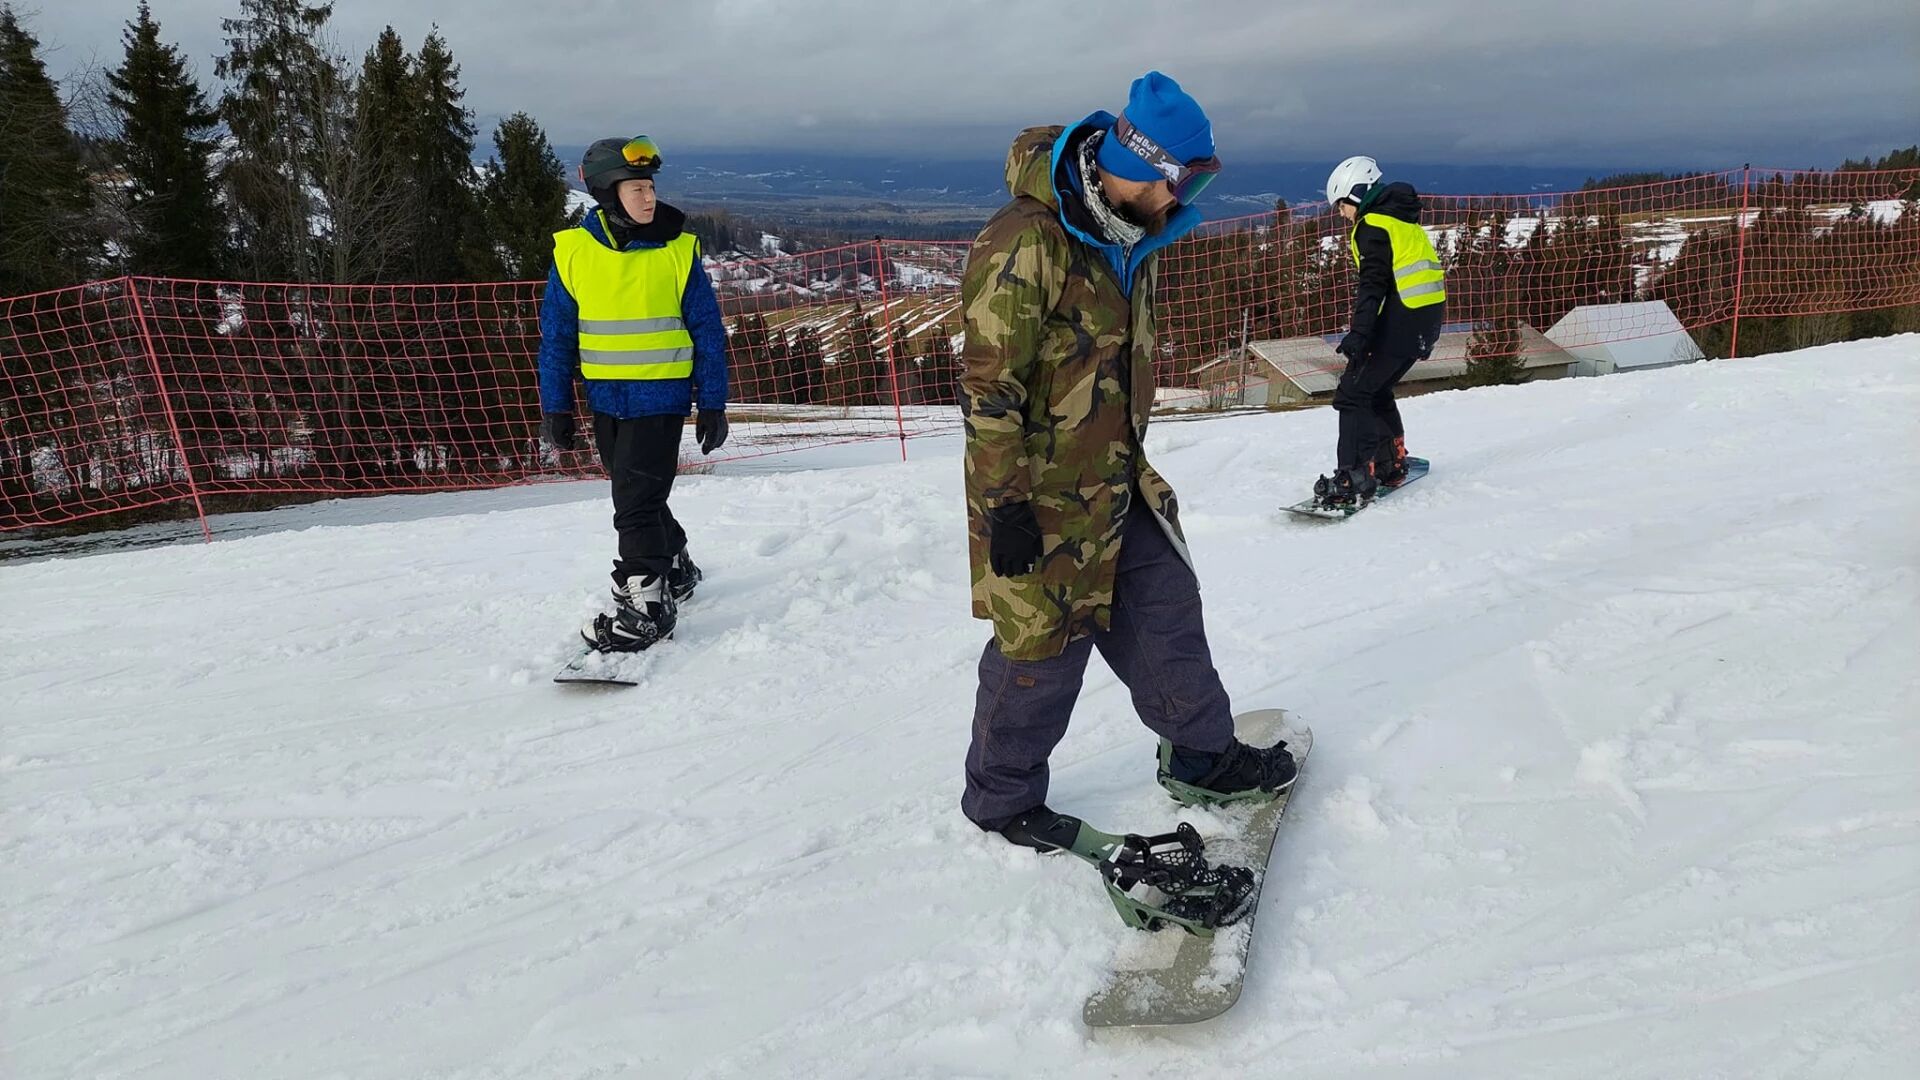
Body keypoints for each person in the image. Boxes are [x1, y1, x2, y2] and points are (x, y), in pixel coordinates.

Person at [957, 71, 1296, 852]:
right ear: (1147, 166)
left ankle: (1204, 756)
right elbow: (989, 389)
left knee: (1166, 609)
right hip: (1037, 497)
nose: (1187, 199)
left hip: (1116, 479)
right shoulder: (1027, 242)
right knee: (1040, 653)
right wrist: (1004, 506)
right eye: (1187, 180)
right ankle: (1001, 800)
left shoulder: (1124, 233)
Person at [537, 135, 729, 652]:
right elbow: (557, 336)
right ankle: (676, 566)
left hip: (660, 401)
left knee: (633, 505)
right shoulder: (574, 253)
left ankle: (647, 609)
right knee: (637, 494)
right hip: (606, 400)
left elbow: (708, 333)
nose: (649, 197)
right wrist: (555, 406)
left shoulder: (677, 251)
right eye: (636, 188)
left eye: (650, 187)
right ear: (607, 193)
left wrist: (713, 402)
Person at [1315, 155, 1447, 508]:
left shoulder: (1371, 226)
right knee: (1375, 390)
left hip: (1402, 321)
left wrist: (1359, 334)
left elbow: (1373, 286)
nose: (1341, 213)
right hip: (1424, 322)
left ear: (1356, 195)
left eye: (1341, 205)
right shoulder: (1401, 219)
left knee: (1352, 394)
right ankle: (1391, 461)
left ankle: (1353, 476)